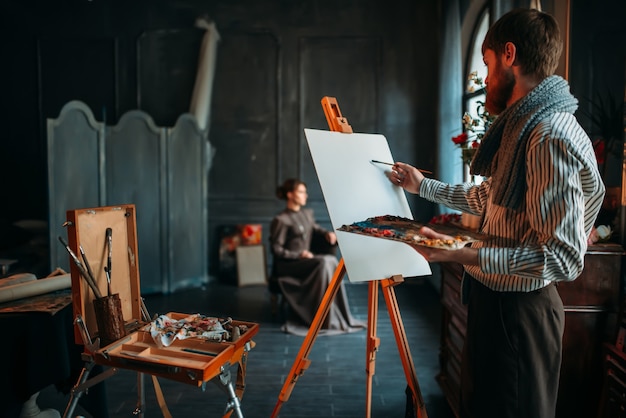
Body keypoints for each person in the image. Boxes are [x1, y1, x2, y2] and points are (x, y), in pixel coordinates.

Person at [389, 8, 605, 418]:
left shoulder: (548, 133)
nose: (485, 79)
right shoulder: (525, 125)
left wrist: (462, 252)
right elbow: (491, 199)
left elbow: (563, 258)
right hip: (498, 308)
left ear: (509, 55)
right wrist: (421, 186)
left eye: (486, 65)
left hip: (519, 315)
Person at [269, 178, 366, 336]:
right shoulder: (281, 220)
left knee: (329, 260)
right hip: (290, 264)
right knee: (324, 261)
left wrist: (327, 233)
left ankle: (329, 314)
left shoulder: (306, 214)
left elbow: (315, 228)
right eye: (301, 192)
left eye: (305, 192)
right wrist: (298, 254)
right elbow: (276, 249)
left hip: (306, 261)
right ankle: (321, 315)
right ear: (290, 194)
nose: (305, 195)